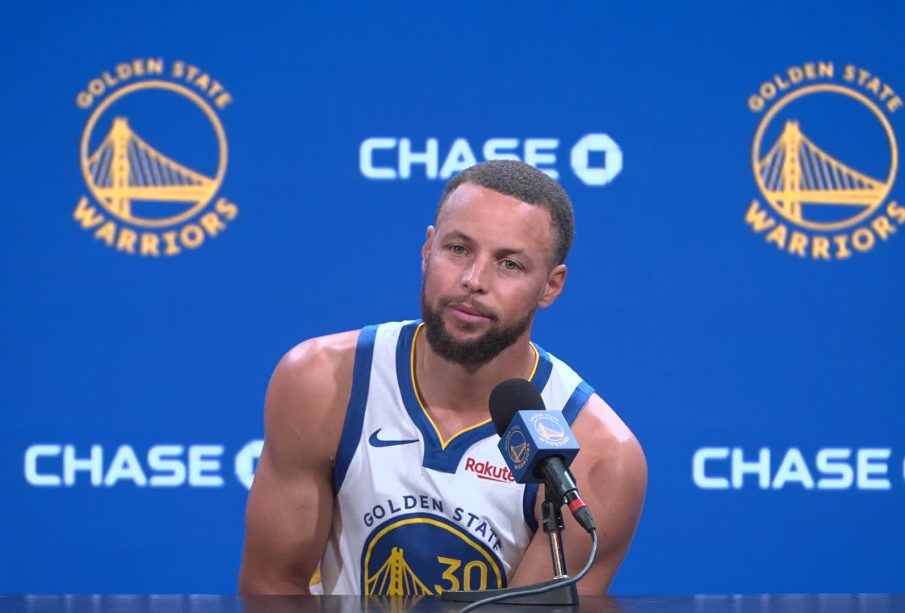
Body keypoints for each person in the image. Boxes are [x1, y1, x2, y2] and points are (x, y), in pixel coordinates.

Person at [238, 160, 647, 596]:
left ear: (551, 285)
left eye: (509, 264)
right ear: (427, 249)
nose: (474, 280)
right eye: (458, 249)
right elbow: (272, 586)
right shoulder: (323, 383)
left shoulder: (597, 459)